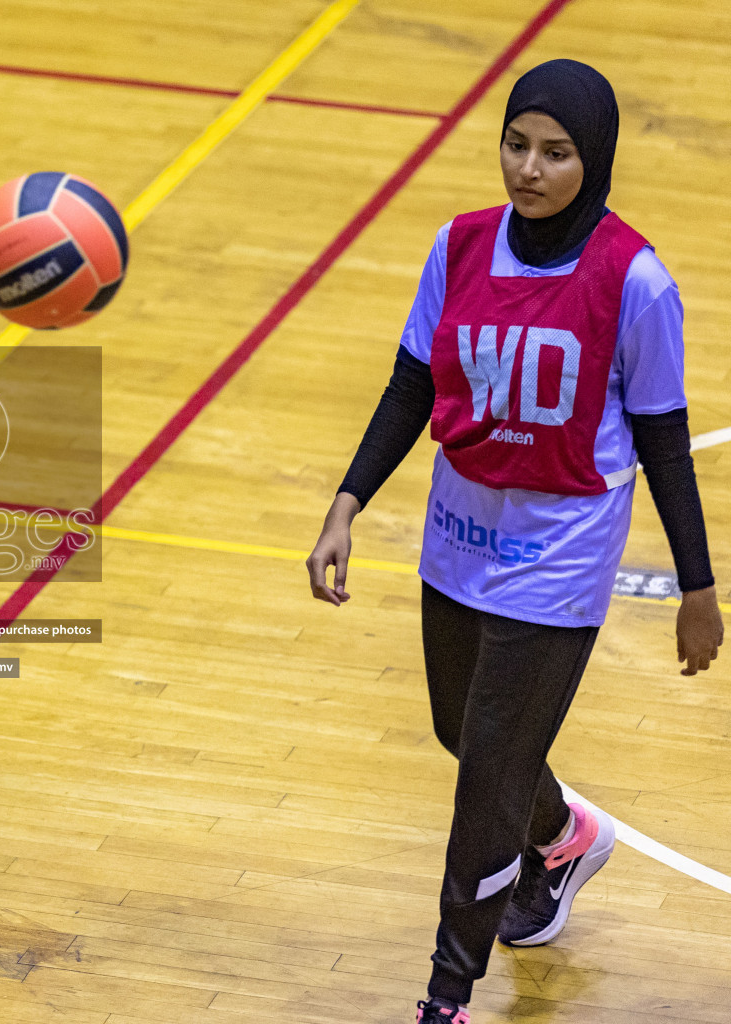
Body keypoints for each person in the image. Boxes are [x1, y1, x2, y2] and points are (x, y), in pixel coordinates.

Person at [304, 59, 723, 1022]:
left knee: (485, 779)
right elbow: (412, 381)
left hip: (561, 559)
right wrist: (348, 499)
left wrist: (697, 587)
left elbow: (663, 436)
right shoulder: (456, 248)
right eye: (516, 144)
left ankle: (447, 992)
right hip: (457, 538)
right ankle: (565, 833)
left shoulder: (636, 282)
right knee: (465, 734)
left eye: (556, 153)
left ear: (596, 159)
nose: (528, 169)